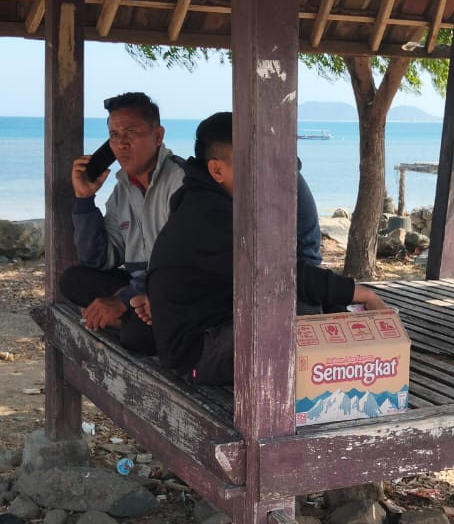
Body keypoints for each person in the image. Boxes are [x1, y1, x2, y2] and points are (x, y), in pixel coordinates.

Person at [144, 111, 385, 385]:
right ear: (217, 170)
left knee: (315, 307)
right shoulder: (209, 217)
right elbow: (284, 276)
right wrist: (361, 294)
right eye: (253, 163)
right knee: (299, 309)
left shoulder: (208, 201)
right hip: (199, 354)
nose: (265, 172)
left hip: (218, 327)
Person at [60, 92, 185, 354]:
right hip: (137, 287)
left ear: (158, 136)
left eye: (131, 132)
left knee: (137, 336)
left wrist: (121, 300)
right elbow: (98, 260)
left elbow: (183, 265)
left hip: (174, 291)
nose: (121, 144)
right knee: (72, 280)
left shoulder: (180, 182)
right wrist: (84, 199)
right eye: (114, 136)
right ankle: (121, 318)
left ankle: (119, 320)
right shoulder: (122, 190)